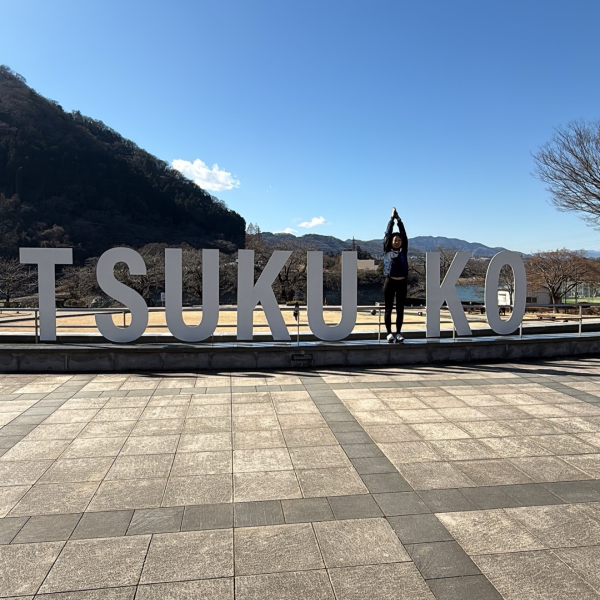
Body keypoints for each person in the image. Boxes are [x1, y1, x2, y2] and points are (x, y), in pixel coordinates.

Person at [383, 206, 408, 343]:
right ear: (391, 242)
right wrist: (391, 219)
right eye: (395, 240)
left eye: (399, 240)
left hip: (402, 283)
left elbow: (404, 234)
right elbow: (388, 234)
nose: (397, 242)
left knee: (400, 309)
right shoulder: (387, 250)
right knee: (388, 309)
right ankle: (389, 333)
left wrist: (399, 220)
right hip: (390, 282)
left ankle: (398, 332)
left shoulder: (404, 250)